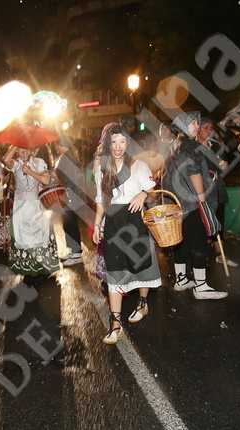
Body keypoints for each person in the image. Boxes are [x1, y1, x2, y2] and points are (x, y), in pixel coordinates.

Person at [92, 125, 160, 345]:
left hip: (135, 222)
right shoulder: (102, 170)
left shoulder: (138, 166)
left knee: (141, 266)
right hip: (112, 223)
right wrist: (96, 225)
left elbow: (153, 191)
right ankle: (116, 325)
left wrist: (143, 194)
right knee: (115, 271)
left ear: (128, 143)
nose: (118, 147)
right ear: (108, 145)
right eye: (113, 142)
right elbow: (101, 200)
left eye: (122, 141)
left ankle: (142, 302)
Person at [163, 111, 228, 300]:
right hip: (191, 201)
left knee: (181, 241)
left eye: (197, 122)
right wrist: (202, 199)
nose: (197, 126)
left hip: (176, 203)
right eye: (193, 123)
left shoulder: (174, 144)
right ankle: (201, 286)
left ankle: (181, 279)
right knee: (199, 241)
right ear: (183, 125)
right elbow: (193, 173)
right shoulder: (190, 145)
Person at [2, 145, 59, 277]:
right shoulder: (15, 164)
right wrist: (15, 142)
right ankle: (27, 267)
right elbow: (5, 160)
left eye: (26, 149)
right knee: (24, 236)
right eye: (21, 149)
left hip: (36, 205)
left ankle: (41, 266)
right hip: (20, 206)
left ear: (31, 150)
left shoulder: (38, 162)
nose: (24, 152)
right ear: (16, 150)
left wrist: (29, 171)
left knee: (39, 235)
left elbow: (47, 180)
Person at [196, 116, 238, 268]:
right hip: (203, 192)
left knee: (218, 224)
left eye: (210, 128)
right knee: (201, 226)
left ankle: (219, 255)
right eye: (205, 128)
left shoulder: (215, 146)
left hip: (218, 189)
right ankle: (198, 260)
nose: (209, 131)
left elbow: (222, 163)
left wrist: (223, 165)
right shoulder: (193, 148)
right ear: (198, 129)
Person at [54, 138, 85, 266]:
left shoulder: (65, 158)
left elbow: (62, 177)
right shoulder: (72, 156)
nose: (56, 148)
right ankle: (73, 252)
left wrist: (54, 174)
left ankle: (76, 253)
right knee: (71, 223)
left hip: (68, 194)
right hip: (74, 194)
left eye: (57, 145)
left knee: (69, 224)